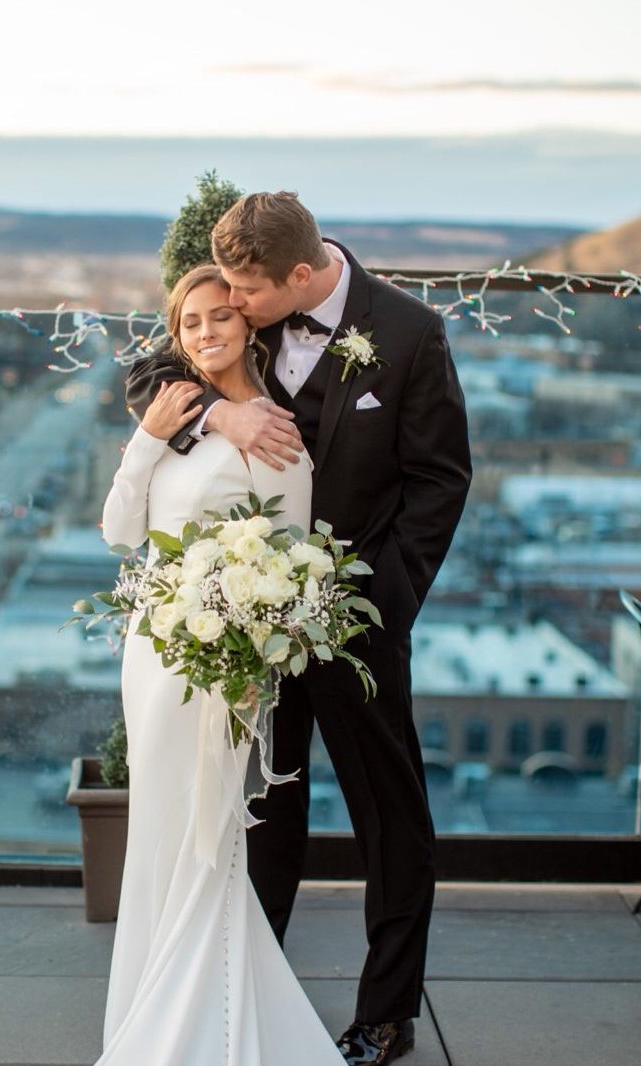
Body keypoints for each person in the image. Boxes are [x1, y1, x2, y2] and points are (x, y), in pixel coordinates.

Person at [127, 192, 471, 1066]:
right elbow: (148, 377)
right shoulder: (241, 305)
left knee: (388, 818)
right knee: (262, 811)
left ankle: (386, 1015)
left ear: (303, 276)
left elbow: (439, 481)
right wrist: (217, 413)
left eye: (247, 291)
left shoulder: (409, 333)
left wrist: (377, 610)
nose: (231, 306)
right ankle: (246, 1001)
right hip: (249, 626)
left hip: (356, 622)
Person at [97, 264, 345, 1065]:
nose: (206, 334)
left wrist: (250, 654)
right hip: (152, 654)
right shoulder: (174, 411)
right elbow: (118, 531)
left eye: (219, 318)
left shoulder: (273, 431)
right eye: (189, 324)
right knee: (156, 835)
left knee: (204, 835)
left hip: (222, 668)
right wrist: (148, 439)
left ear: (246, 324)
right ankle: (148, 1008)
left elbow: (293, 561)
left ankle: (205, 1024)